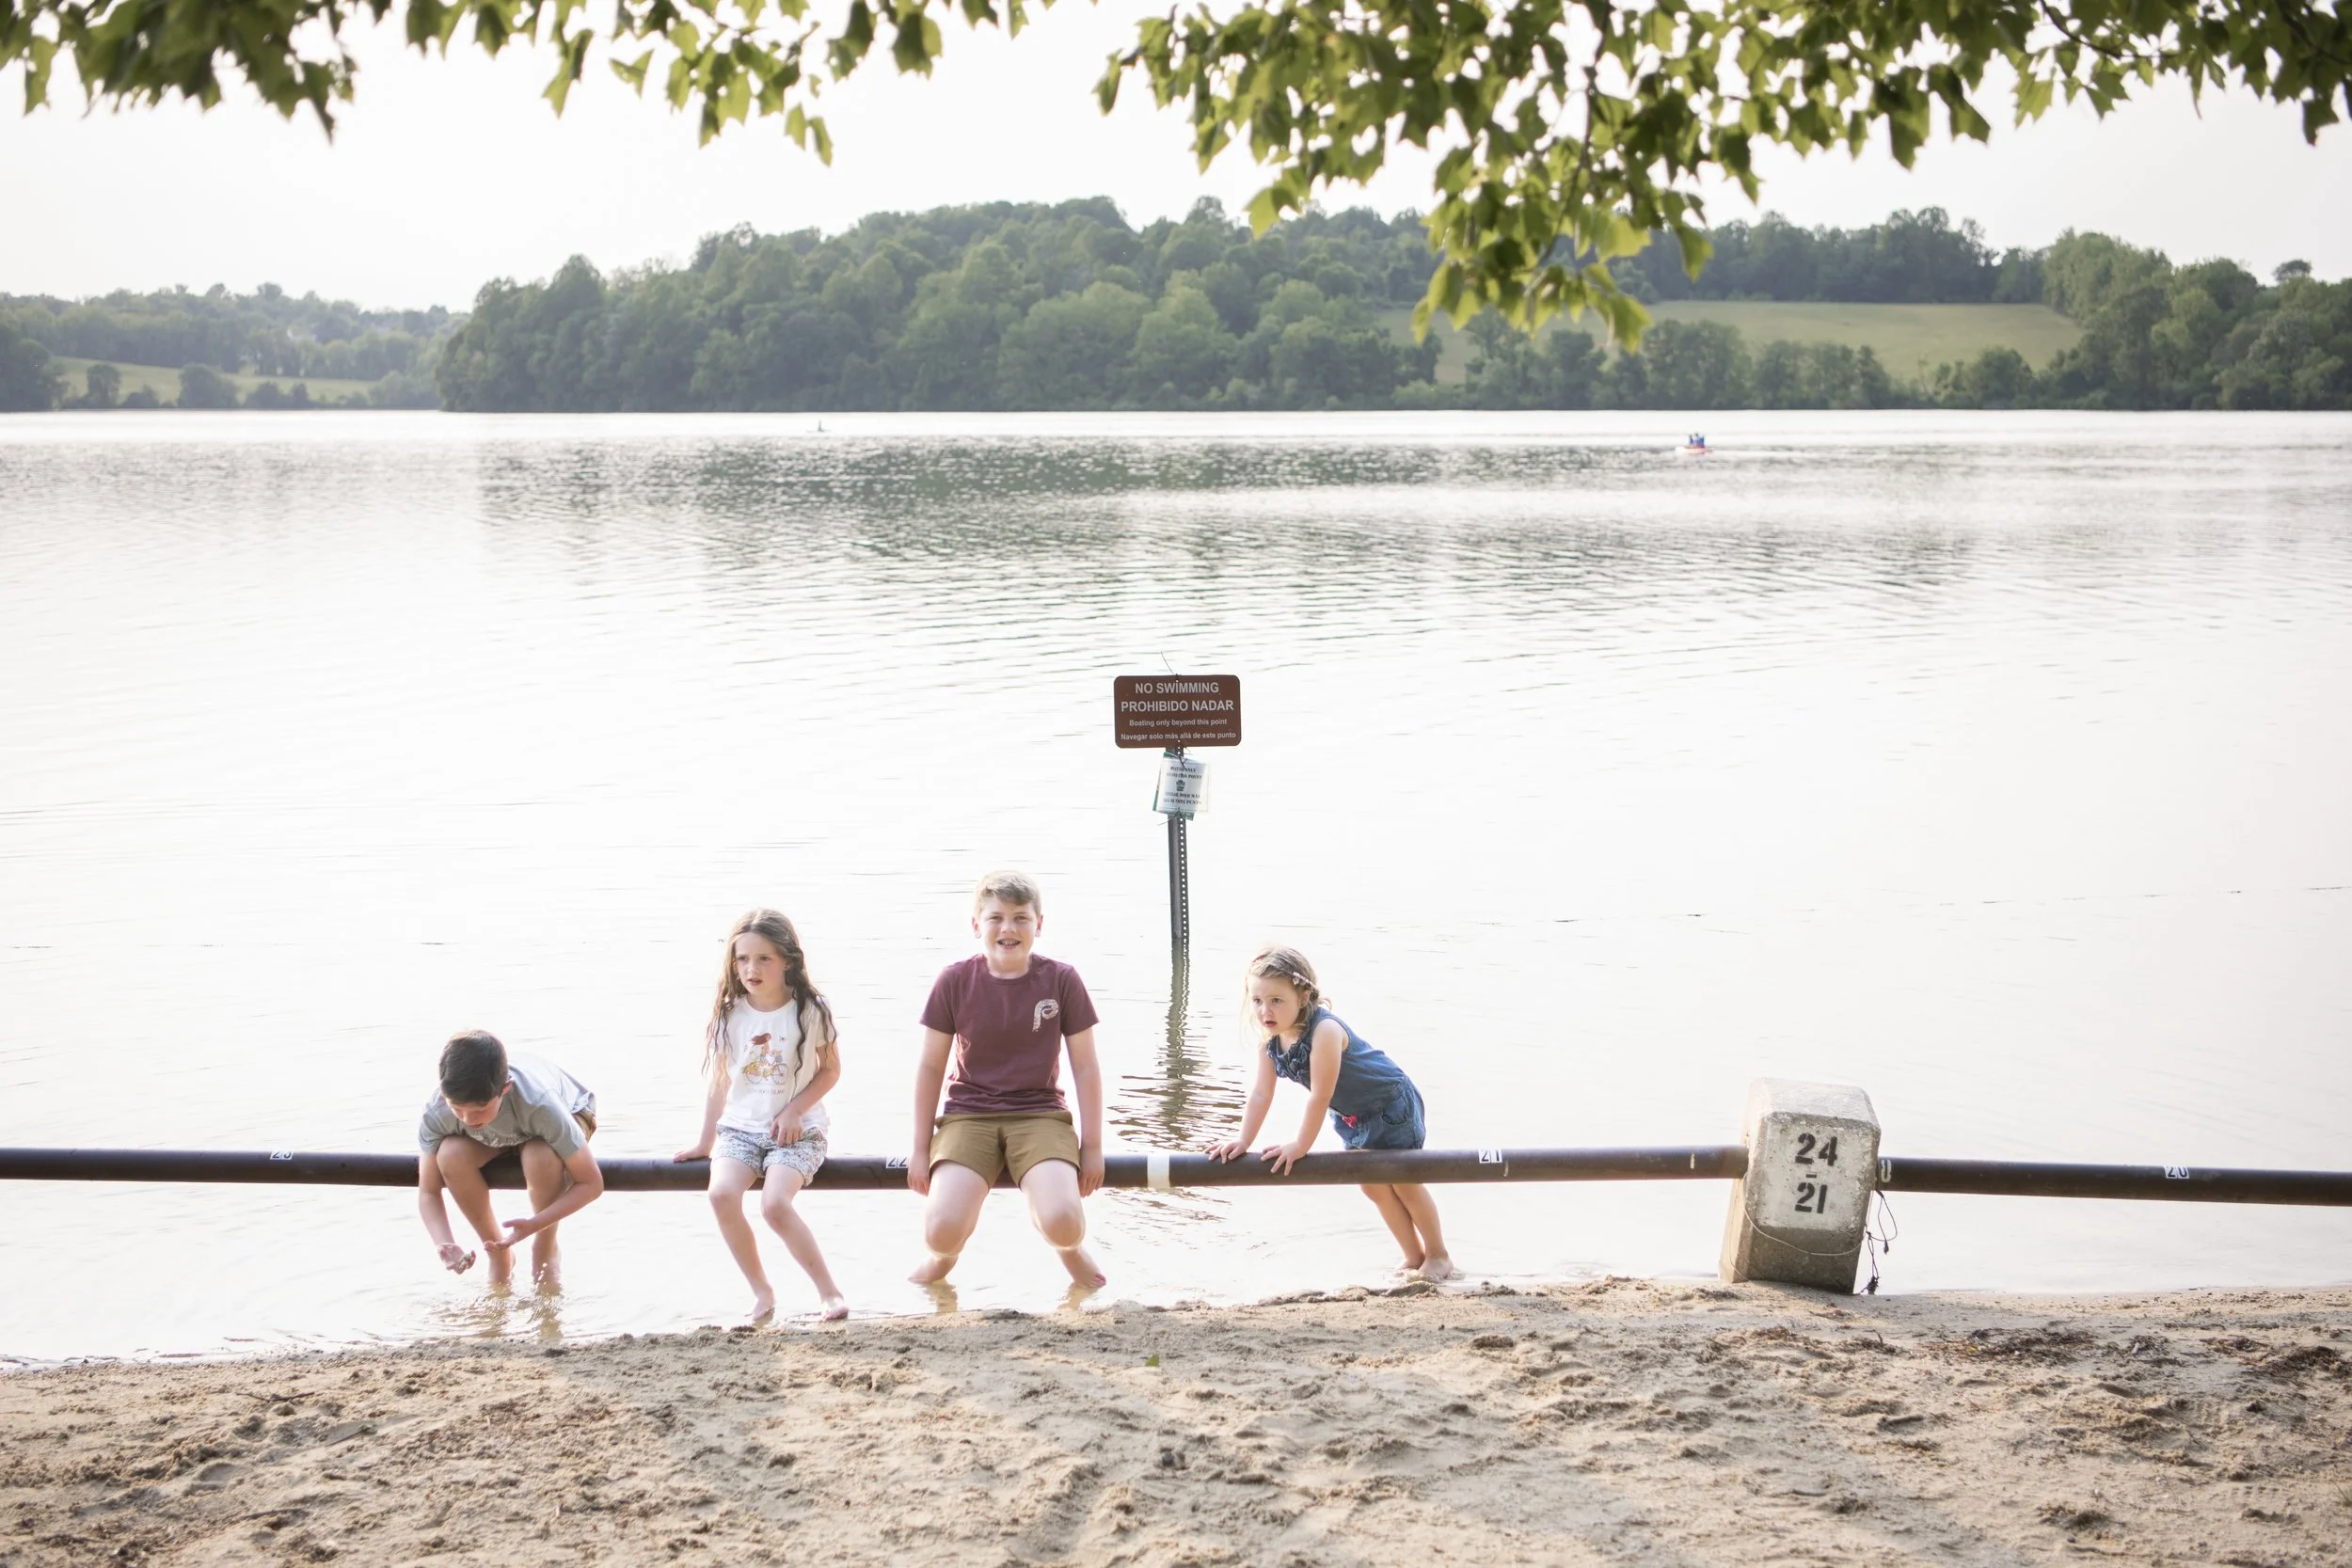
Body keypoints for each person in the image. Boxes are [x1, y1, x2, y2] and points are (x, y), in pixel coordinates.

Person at [908, 869, 1106, 1290]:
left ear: (1039, 924)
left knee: (1065, 1222)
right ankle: (943, 1259)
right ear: (977, 925)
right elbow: (929, 1067)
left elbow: (1085, 1066)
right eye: (996, 917)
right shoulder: (954, 980)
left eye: (1021, 917)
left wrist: (1093, 1147)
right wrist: (920, 1148)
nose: (1008, 928)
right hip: (968, 1115)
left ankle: (1069, 1251)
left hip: (1040, 1114)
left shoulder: (1062, 979)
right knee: (940, 1230)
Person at [1205, 946, 1454, 1280]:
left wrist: (1299, 1146)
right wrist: (1243, 1139)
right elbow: (1261, 1094)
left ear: (1304, 994)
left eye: (1277, 1000)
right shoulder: (1270, 1042)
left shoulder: (1325, 1032)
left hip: (1390, 1105)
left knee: (1404, 1180)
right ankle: (1413, 1255)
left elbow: (1319, 1097)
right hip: (1353, 1116)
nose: (1266, 1010)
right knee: (1372, 1185)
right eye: (1257, 1001)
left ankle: (1439, 1255)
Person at [673, 908, 849, 1323]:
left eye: (763, 958)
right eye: (742, 959)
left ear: (787, 960)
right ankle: (762, 1292)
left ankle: (830, 1293)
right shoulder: (729, 1013)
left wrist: (794, 1110)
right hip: (740, 1130)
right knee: (720, 1195)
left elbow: (831, 1070)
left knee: (774, 1205)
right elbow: (719, 1082)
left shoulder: (810, 1010)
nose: (751, 968)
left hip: (799, 1131)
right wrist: (705, 1142)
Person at [416, 1030, 605, 1291]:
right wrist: (443, 1242)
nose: (468, 1120)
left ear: (505, 1089)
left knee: (539, 1154)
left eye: (479, 1110)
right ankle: (497, 1252)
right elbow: (428, 1190)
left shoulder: (540, 1104)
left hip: (570, 1112)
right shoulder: (437, 1111)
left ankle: (546, 1248)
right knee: (449, 1154)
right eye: (456, 1109)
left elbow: (592, 1183)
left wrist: (534, 1225)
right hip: (504, 1133)